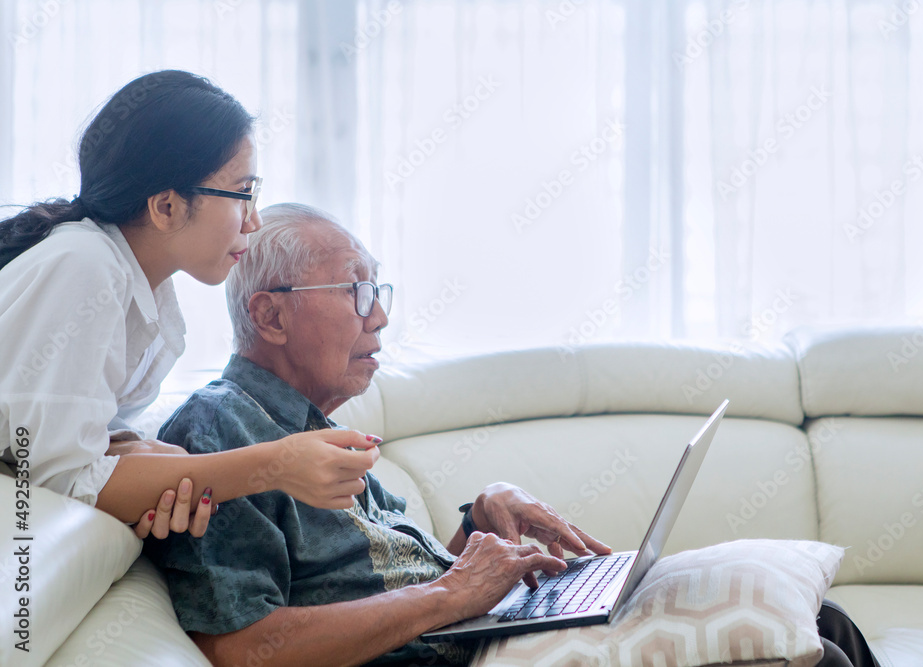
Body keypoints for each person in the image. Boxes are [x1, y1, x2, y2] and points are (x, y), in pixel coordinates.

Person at [146, 203, 879, 667]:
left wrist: (474, 526)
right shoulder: (222, 432)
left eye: (380, 289)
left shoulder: (313, 429)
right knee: (812, 652)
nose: (379, 315)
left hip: (476, 634)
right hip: (466, 654)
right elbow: (243, 647)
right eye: (355, 289)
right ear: (271, 317)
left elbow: (392, 578)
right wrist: (456, 594)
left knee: (818, 617)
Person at [0, 71, 379, 540]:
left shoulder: (143, 292)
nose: (255, 220)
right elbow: (62, 481)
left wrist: (163, 465)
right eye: (243, 194)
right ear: (166, 208)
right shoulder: (85, 265)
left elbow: (77, 450)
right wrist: (277, 465)